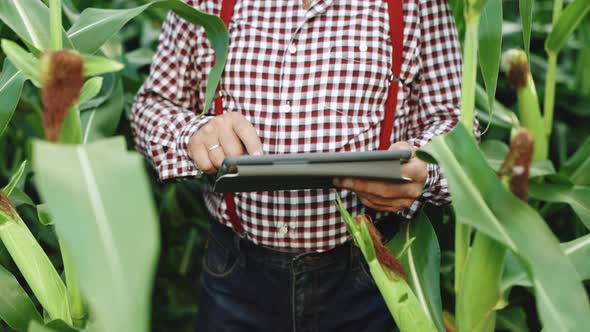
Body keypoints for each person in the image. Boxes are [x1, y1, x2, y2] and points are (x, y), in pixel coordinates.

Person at [131, 0, 462, 330]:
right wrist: (195, 135)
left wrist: (425, 168)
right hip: (235, 272)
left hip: (372, 271)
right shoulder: (203, 4)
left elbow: (454, 125)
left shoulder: (416, 4)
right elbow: (152, 107)